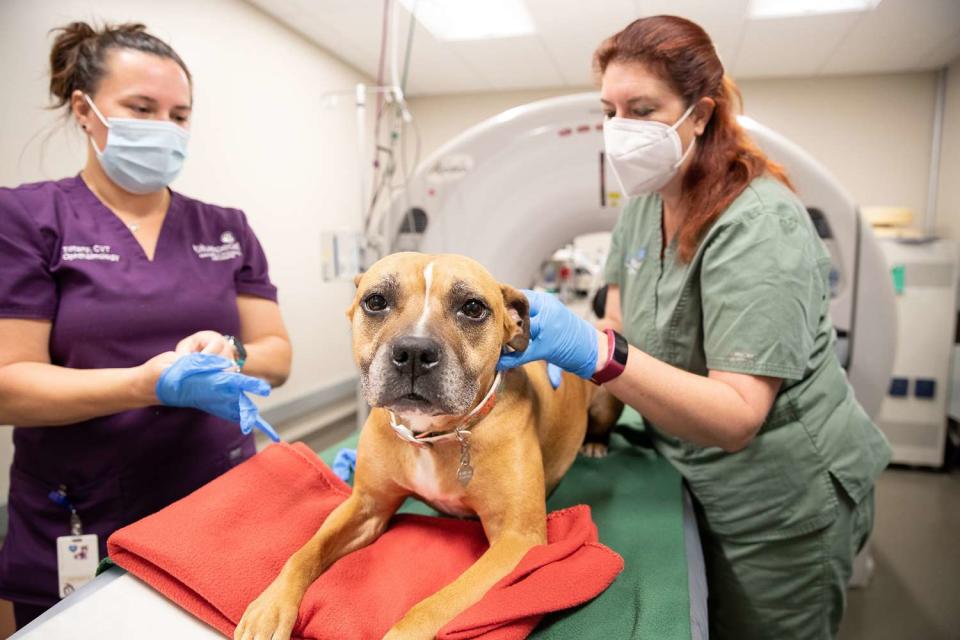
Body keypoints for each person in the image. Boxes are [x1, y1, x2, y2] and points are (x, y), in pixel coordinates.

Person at [498, 15, 891, 640]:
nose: (620, 130)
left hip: (780, 499)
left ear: (701, 113)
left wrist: (592, 350)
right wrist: (558, 368)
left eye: (643, 109)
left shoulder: (759, 223)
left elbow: (736, 416)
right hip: (687, 467)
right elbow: (620, 320)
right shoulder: (644, 206)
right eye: (610, 110)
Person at [0, 22, 292, 628]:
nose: (163, 127)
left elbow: (276, 353)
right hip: (80, 505)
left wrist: (229, 352)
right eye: (140, 108)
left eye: (179, 114)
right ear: (84, 109)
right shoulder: (28, 218)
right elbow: (7, 383)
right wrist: (149, 383)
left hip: (218, 500)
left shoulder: (225, 228)